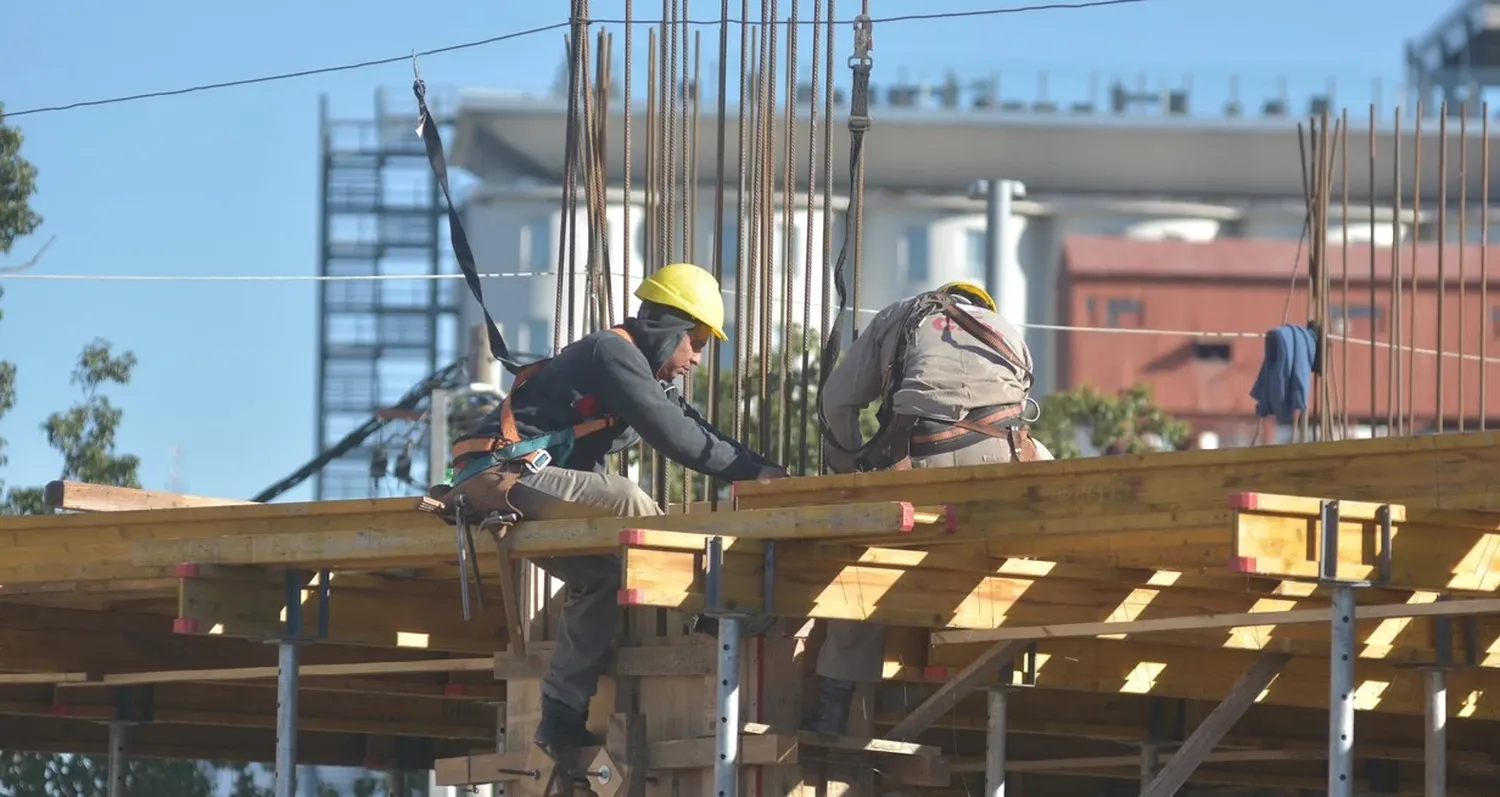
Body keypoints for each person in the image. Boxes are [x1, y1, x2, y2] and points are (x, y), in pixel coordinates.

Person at [439, 262, 787, 752]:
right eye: (698, 344)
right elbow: (675, 437)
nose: (697, 361)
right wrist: (751, 475)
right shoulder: (611, 352)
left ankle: (560, 714)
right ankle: (706, 604)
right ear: (670, 329)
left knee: (602, 577)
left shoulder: (643, 375)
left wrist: (764, 468)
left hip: (528, 485)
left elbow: (699, 430)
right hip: (495, 477)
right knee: (626, 498)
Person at [808, 280, 1054, 734]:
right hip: (1001, 464)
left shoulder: (896, 316)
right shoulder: (1008, 329)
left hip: (918, 462)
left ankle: (834, 702)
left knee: (868, 560)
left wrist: (846, 475)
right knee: (1056, 495)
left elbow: (837, 401)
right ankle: (1045, 643)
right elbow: (1019, 409)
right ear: (983, 307)